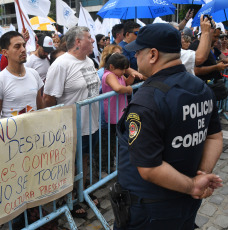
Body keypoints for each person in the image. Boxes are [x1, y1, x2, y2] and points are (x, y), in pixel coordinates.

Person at [111, 23, 223, 230]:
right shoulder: (200, 87)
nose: (136, 57)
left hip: (150, 210)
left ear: (153, 54)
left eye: (138, 52)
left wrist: (193, 185)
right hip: (184, 202)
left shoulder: (147, 100)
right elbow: (214, 137)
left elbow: (149, 168)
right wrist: (200, 177)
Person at [43, 26, 101, 217]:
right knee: (69, 164)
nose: (93, 41)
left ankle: (81, 191)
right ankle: (69, 199)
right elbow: (49, 98)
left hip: (91, 123)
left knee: (84, 159)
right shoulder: (61, 64)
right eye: (89, 38)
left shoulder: (90, 61)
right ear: (78, 41)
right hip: (71, 127)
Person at [0, 31, 43, 118]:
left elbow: (40, 109)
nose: (23, 50)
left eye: (24, 45)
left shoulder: (34, 74)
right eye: (17, 47)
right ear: (5, 52)